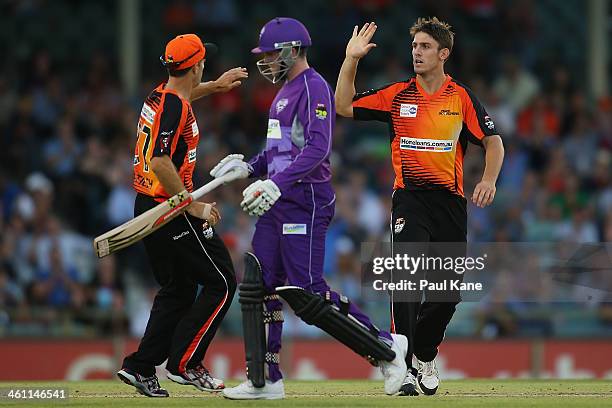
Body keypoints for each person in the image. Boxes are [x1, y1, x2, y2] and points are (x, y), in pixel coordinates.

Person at [209, 17, 408, 400]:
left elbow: (317, 149)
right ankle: (264, 380)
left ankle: (387, 349)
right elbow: (277, 151)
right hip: (277, 200)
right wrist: (250, 167)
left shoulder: (314, 88)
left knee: (306, 293)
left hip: (306, 201)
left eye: (270, 54)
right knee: (256, 285)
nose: (265, 62)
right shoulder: (283, 93)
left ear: (293, 50)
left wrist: (273, 182)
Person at [335, 18, 504, 396]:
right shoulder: (398, 95)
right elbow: (343, 105)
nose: (417, 52)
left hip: (450, 202)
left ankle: (425, 353)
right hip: (410, 199)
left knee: (448, 291)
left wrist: (489, 179)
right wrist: (351, 60)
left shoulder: (460, 97)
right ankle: (402, 365)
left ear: (443, 54)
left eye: (425, 46)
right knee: (406, 276)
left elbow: (493, 141)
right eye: (415, 46)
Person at [116, 34, 247, 397]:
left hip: (149, 204)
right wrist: (192, 205)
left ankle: (141, 366)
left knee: (179, 289)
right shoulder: (175, 106)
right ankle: (185, 364)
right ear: (196, 65)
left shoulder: (161, 94)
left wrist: (214, 87)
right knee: (222, 281)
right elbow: (160, 160)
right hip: (169, 208)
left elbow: (183, 95)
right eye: (205, 62)